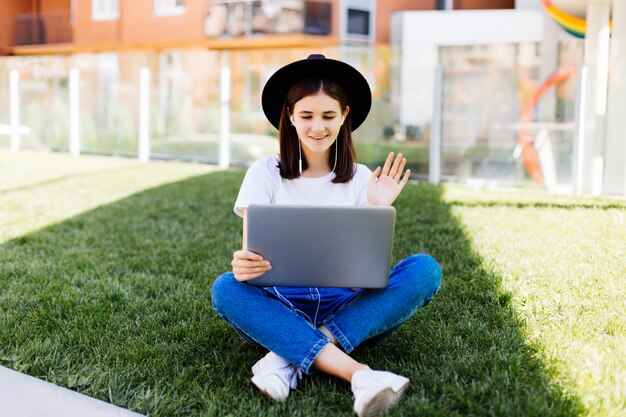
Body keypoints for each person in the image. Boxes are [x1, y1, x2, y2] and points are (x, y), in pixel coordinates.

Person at [211, 54, 442, 417]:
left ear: (345, 116)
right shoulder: (264, 173)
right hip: (280, 301)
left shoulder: (363, 178)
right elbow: (251, 258)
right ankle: (359, 375)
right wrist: (244, 266)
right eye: (306, 116)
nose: (317, 127)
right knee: (226, 287)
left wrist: (376, 205)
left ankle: (285, 355)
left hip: (346, 304)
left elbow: (368, 267)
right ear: (289, 116)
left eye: (328, 116)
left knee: (425, 270)